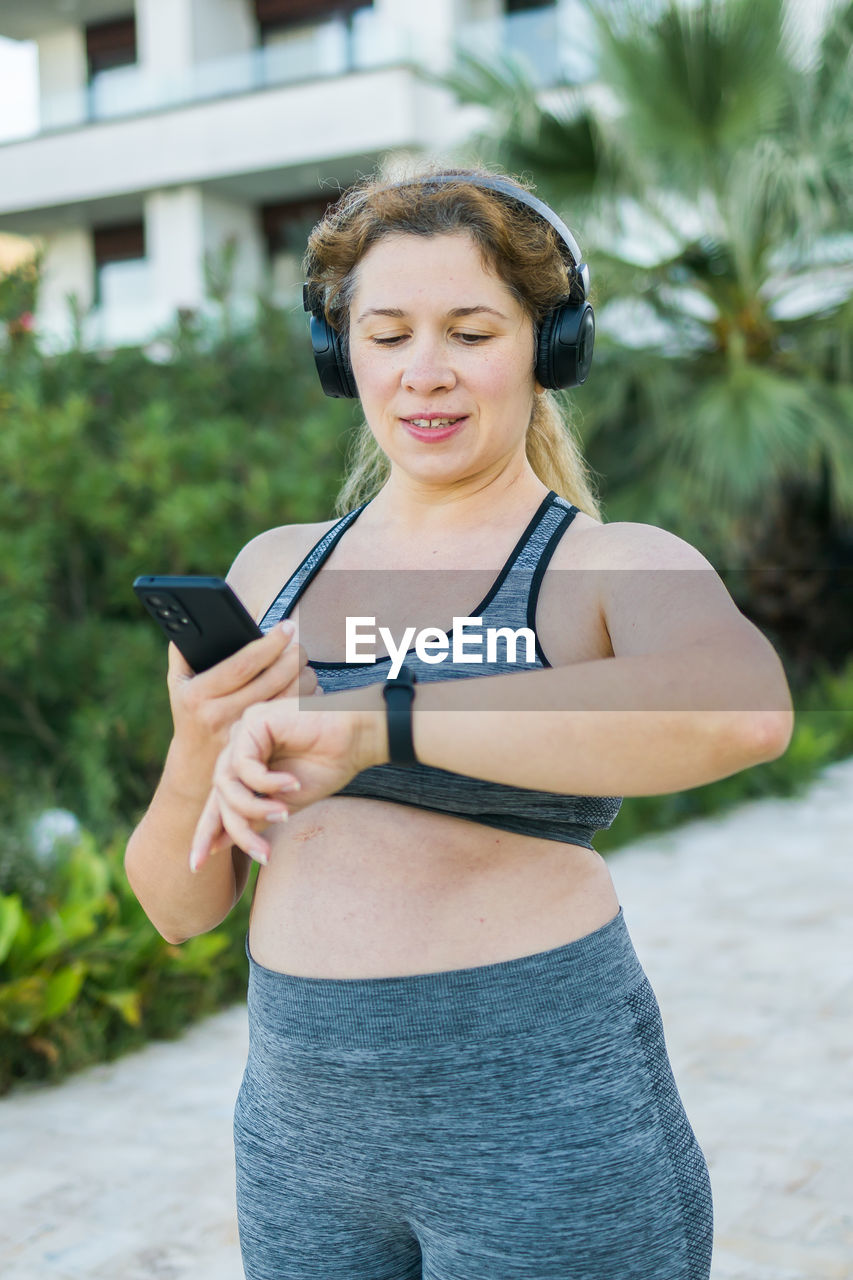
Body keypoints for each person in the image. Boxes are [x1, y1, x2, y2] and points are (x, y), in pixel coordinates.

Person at [125, 164, 794, 1280]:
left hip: (543, 1122)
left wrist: (376, 721)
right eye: (385, 335)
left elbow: (746, 705)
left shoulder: (604, 563)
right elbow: (175, 905)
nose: (423, 373)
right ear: (343, 356)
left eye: (470, 330)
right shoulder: (271, 573)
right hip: (303, 1142)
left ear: (549, 344)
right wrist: (202, 748)